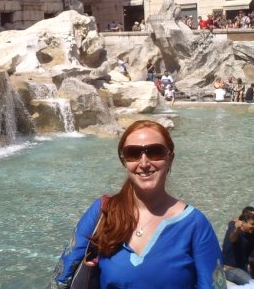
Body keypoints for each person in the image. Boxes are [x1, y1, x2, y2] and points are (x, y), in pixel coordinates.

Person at [51, 120, 225, 288]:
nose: (144, 163)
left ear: (170, 158)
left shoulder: (195, 224)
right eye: (133, 154)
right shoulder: (103, 211)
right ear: (124, 161)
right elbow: (61, 279)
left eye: (155, 152)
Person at [222, 209, 254, 285]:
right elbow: (232, 238)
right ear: (243, 223)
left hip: (244, 267)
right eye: (252, 224)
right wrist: (237, 229)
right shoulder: (234, 230)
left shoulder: (250, 234)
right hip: (231, 269)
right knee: (253, 284)